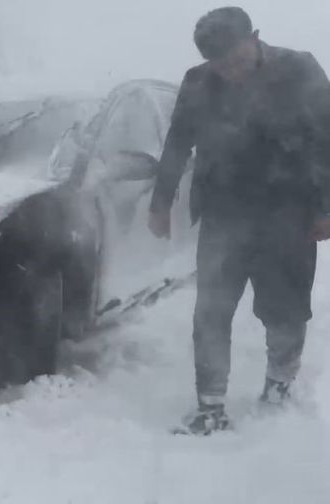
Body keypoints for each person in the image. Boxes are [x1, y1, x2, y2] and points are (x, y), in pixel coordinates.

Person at [148, 7, 330, 435]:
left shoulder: (299, 70)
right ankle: (210, 406)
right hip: (223, 211)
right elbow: (177, 142)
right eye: (221, 65)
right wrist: (160, 202)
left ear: (254, 38)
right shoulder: (198, 82)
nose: (231, 71)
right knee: (211, 310)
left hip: (288, 210)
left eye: (237, 59)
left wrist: (326, 206)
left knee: (284, 308)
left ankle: (278, 387)